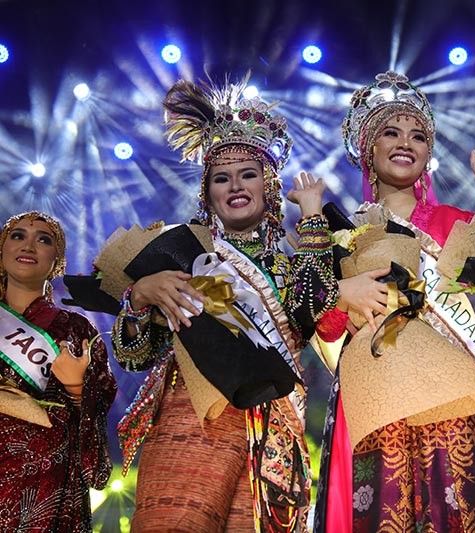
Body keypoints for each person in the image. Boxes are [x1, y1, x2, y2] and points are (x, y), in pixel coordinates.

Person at [111, 77, 338, 531]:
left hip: (271, 430)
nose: (235, 185)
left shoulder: (290, 266)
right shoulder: (182, 254)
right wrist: (138, 296)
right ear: (208, 192)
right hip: (190, 418)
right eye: (221, 177)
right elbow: (134, 355)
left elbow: (316, 309)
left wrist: (313, 217)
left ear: (268, 184)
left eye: (248, 174)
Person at [312, 71, 475, 532]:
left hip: (453, 393)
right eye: (390, 132)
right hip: (381, 394)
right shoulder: (342, 236)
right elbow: (327, 327)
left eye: (417, 136)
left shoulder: (452, 221)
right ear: (368, 150)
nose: (405, 143)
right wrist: (340, 296)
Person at [0, 211, 117, 532]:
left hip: (50, 483)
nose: (29, 246)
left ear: (57, 261)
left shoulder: (76, 328)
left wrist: (77, 388)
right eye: (18, 235)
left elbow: (98, 407)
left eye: (44, 239)